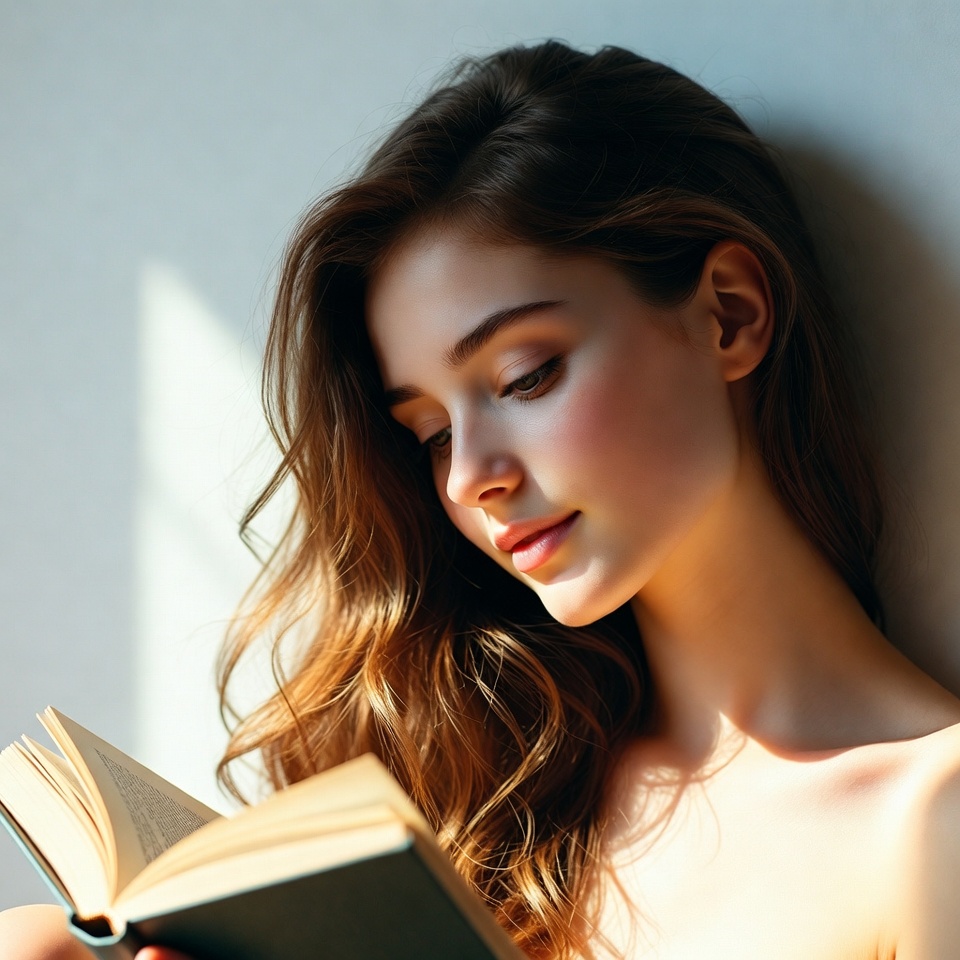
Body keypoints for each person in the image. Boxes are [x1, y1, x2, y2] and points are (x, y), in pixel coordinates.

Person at [4, 39, 960, 960]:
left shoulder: (927, 820)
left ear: (729, 314)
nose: (469, 478)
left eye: (527, 375)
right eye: (429, 433)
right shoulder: (483, 793)